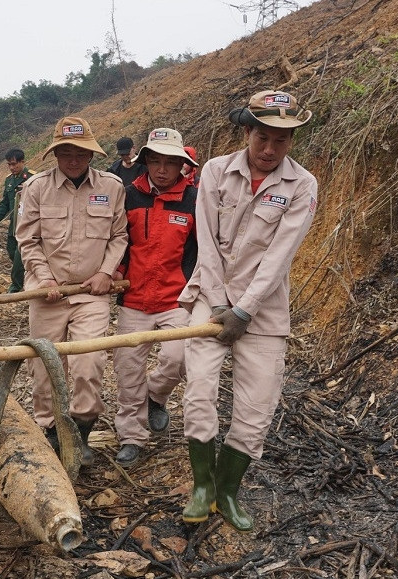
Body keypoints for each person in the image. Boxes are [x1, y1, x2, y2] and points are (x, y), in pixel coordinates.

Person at [178, 90, 317, 532]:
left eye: (281, 140)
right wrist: (220, 304)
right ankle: (201, 485)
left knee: (257, 404)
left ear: (291, 140)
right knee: (199, 390)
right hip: (211, 298)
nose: (270, 149)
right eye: (263, 137)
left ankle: (227, 490)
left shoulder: (302, 185)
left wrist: (245, 310)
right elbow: (206, 244)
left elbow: (280, 255)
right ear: (247, 132)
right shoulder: (216, 172)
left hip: (265, 309)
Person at [16, 116, 128, 465]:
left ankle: (80, 431)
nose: (73, 159)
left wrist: (106, 272)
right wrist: (45, 278)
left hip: (90, 293)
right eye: (65, 152)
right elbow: (28, 240)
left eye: (80, 152)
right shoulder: (36, 188)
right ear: (55, 154)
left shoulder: (112, 187)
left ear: (91, 154)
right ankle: (50, 431)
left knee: (89, 362)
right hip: (46, 293)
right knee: (45, 365)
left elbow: (119, 236)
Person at [111, 128, 198, 468]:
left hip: (175, 298)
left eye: (170, 163)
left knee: (179, 357)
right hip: (134, 299)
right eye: (156, 162)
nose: (162, 170)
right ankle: (131, 436)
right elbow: (118, 240)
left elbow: (201, 249)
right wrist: (116, 270)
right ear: (145, 161)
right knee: (128, 369)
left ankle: (156, 396)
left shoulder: (193, 200)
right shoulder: (129, 196)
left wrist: (194, 287)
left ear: (182, 166)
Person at [0, 149, 35, 293]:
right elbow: (4, 204)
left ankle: (16, 286)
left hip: (28, 226)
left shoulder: (33, 178)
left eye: (14, 164)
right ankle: (29, 275)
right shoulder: (9, 180)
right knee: (11, 251)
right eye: (9, 165)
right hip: (14, 226)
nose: (12, 167)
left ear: (22, 162)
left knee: (19, 257)